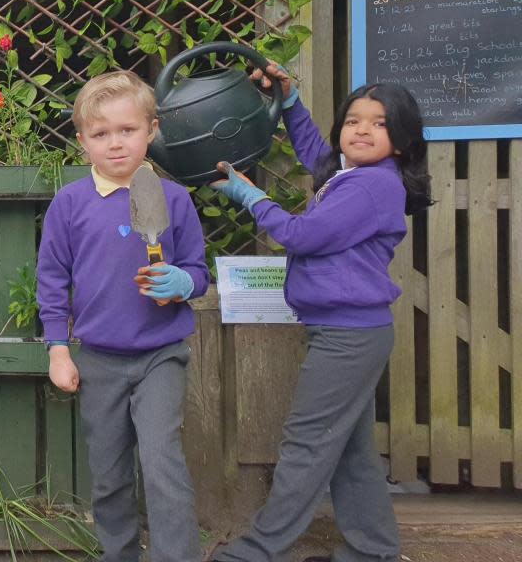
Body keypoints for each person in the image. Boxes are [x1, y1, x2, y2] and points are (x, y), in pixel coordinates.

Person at [207, 66, 432, 562]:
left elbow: (301, 237)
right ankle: (374, 551)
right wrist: (290, 104)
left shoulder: (372, 188)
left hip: (348, 337)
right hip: (349, 332)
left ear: (401, 141)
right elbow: (316, 155)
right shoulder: (355, 176)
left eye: (379, 123)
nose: (362, 130)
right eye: (353, 120)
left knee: (306, 444)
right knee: (350, 453)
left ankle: (255, 552)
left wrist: (251, 196)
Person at [37, 70, 209, 562]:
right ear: (81, 141)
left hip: (161, 355)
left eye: (128, 130)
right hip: (98, 360)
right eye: (100, 134)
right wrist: (57, 349)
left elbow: (198, 272)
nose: (115, 144)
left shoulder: (173, 199)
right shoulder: (70, 204)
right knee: (110, 475)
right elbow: (51, 280)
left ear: (151, 130)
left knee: (161, 464)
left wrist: (181, 283)